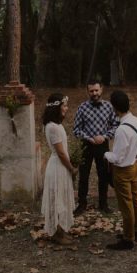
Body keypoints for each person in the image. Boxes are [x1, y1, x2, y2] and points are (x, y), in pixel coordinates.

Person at [104, 90, 137, 250]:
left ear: (115, 108)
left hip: (122, 170)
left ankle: (128, 239)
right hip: (135, 164)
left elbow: (118, 157)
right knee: (135, 199)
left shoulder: (121, 130)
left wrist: (106, 154)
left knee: (126, 204)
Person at [72, 80, 119, 215]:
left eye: (96, 90)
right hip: (86, 145)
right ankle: (81, 204)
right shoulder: (82, 108)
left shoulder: (109, 107)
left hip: (103, 145)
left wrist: (104, 136)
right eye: (91, 91)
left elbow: (116, 125)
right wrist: (89, 138)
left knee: (103, 175)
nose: (94, 93)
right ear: (88, 91)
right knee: (84, 176)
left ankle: (103, 204)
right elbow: (76, 130)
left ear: (101, 90)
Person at [41, 93, 78, 245]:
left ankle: (61, 230)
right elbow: (61, 153)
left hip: (60, 165)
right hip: (58, 166)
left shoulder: (55, 125)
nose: (66, 108)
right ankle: (57, 234)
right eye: (64, 105)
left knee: (61, 197)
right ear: (56, 107)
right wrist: (72, 168)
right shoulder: (53, 127)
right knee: (57, 199)